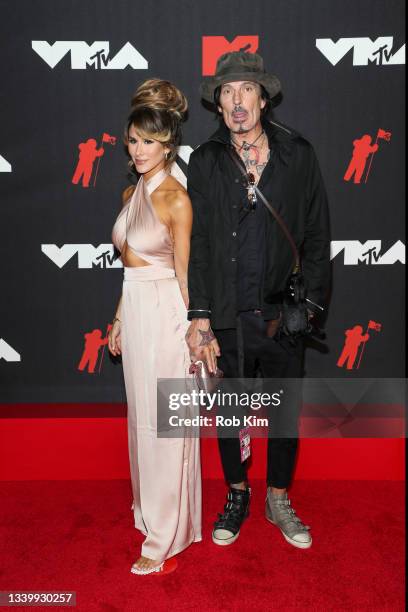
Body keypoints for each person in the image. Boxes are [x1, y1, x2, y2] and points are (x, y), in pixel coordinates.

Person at [186, 51, 330, 549]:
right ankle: (238, 493)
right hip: (227, 315)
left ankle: (278, 496)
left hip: (280, 315)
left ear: (263, 99)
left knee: (285, 411)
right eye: (226, 92)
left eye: (246, 89)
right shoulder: (204, 161)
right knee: (230, 413)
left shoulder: (298, 154)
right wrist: (200, 315)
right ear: (219, 105)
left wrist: (309, 308)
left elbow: (316, 235)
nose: (236, 100)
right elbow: (198, 243)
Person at [109, 79, 201, 575]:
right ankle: (150, 512)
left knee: (166, 426)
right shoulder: (130, 191)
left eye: (149, 141)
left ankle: (163, 535)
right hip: (137, 310)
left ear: (168, 145)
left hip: (167, 315)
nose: (139, 149)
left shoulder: (175, 199)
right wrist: (119, 318)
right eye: (133, 140)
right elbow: (130, 265)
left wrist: (198, 329)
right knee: (141, 420)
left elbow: (184, 273)